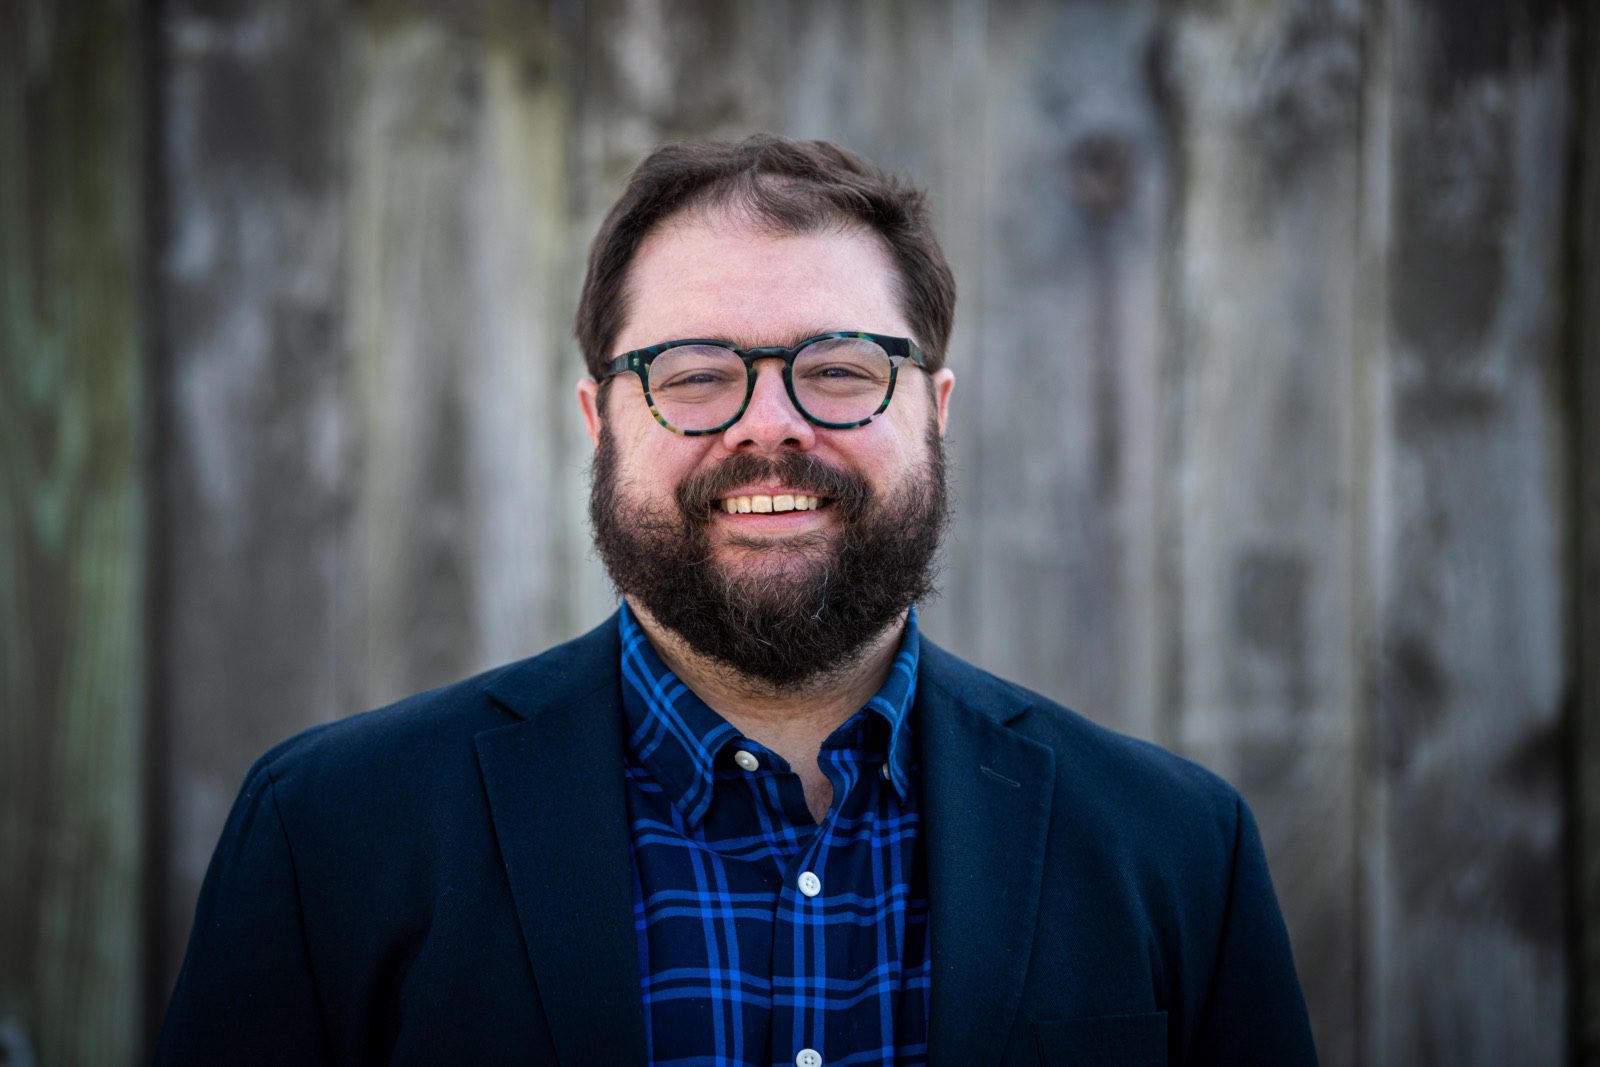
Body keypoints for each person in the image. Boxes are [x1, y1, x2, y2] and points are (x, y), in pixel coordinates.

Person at [156, 135, 1317, 1066]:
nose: (771, 425)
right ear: (600, 420)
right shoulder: (330, 835)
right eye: (697, 374)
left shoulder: (1175, 850)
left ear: (936, 408)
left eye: (841, 369)